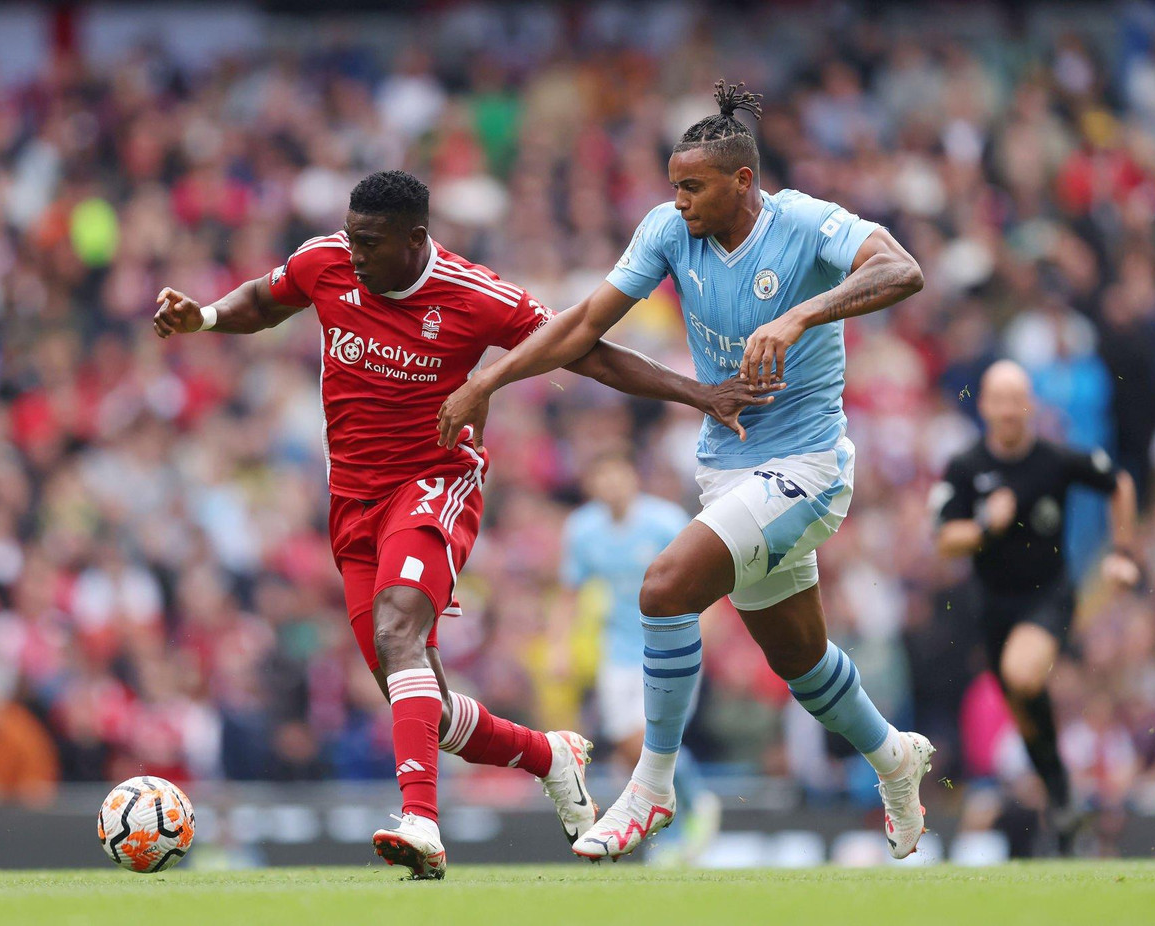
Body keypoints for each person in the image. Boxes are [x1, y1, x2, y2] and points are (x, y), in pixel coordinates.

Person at [152, 169, 775, 879]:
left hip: (434, 484)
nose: (354, 253)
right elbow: (264, 301)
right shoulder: (325, 261)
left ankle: (420, 821)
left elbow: (587, 350)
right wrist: (202, 316)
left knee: (397, 630)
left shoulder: (475, 295)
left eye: (371, 242)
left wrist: (696, 393)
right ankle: (550, 757)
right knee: (416, 695)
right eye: (352, 237)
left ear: (416, 238)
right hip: (351, 503)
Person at [438, 80, 933, 861]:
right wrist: (488, 379)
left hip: (808, 466)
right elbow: (584, 327)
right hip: (727, 467)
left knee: (664, 587)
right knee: (802, 664)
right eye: (673, 185)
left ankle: (652, 787)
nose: (679, 201)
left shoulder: (803, 220)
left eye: (692, 186)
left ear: (743, 182)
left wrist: (801, 312)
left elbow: (902, 268)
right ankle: (895, 758)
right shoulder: (668, 233)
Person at [933, 359, 1140, 853]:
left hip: (1048, 596)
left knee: (1023, 676)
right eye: (998, 401)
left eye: (1016, 400)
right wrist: (986, 524)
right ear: (983, 406)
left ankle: (1062, 795)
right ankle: (1061, 796)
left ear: (1029, 405)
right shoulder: (965, 467)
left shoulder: (1055, 459)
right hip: (992, 607)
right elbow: (945, 539)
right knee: (1025, 714)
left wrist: (1121, 552)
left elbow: (1121, 485)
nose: (1007, 411)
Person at [552, 450, 722, 864]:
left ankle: (687, 820)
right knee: (630, 740)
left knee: (653, 734)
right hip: (619, 650)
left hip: (670, 645)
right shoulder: (582, 529)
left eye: (617, 473)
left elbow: (707, 574)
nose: (611, 484)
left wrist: (707, 628)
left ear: (632, 476)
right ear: (591, 485)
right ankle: (695, 802)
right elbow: (570, 594)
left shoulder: (664, 521)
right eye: (601, 476)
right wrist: (559, 645)